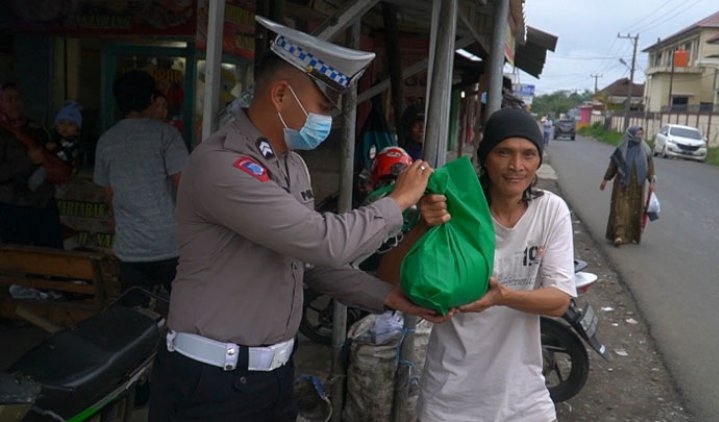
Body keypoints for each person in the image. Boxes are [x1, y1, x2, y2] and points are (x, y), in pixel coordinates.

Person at [148, 16, 448, 421]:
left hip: (271, 378)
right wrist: (398, 200)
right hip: (210, 383)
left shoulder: (292, 167)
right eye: (324, 105)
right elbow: (323, 240)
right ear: (281, 95)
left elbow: (307, 264)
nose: (329, 118)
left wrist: (389, 297)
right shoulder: (222, 166)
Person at [379, 107, 576, 421]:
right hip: (450, 400)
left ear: (539, 160)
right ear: (485, 158)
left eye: (528, 154)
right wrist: (422, 228)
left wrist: (503, 297)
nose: (516, 166)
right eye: (504, 153)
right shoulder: (454, 207)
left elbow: (560, 300)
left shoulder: (550, 211)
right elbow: (387, 277)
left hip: (524, 400)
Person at [94, 70, 189, 297]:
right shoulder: (166, 135)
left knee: (136, 319)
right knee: (181, 313)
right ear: (150, 100)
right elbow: (185, 186)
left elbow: (109, 195)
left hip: (130, 248)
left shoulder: (106, 141)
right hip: (169, 244)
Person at [0, 82, 64, 248]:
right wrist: (27, 161)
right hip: (12, 206)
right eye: (9, 100)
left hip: (42, 203)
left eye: (18, 99)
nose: (15, 104)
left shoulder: (37, 129)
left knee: (52, 258)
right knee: (17, 263)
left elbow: (52, 158)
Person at [599, 125, 656, 246]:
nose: (640, 137)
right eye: (637, 134)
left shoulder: (645, 149)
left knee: (635, 210)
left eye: (641, 134)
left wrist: (652, 182)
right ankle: (619, 235)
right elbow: (613, 166)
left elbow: (650, 168)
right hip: (622, 186)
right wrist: (605, 180)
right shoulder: (621, 149)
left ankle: (631, 236)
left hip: (638, 187)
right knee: (620, 209)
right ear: (630, 135)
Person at [28, 101, 83, 191]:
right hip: (50, 168)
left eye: (70, 124)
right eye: (61, 123)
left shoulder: (76, 144)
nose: (65, 127)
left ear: (77, 129)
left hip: (65, 172)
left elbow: (72, 157)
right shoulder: (53, 138)